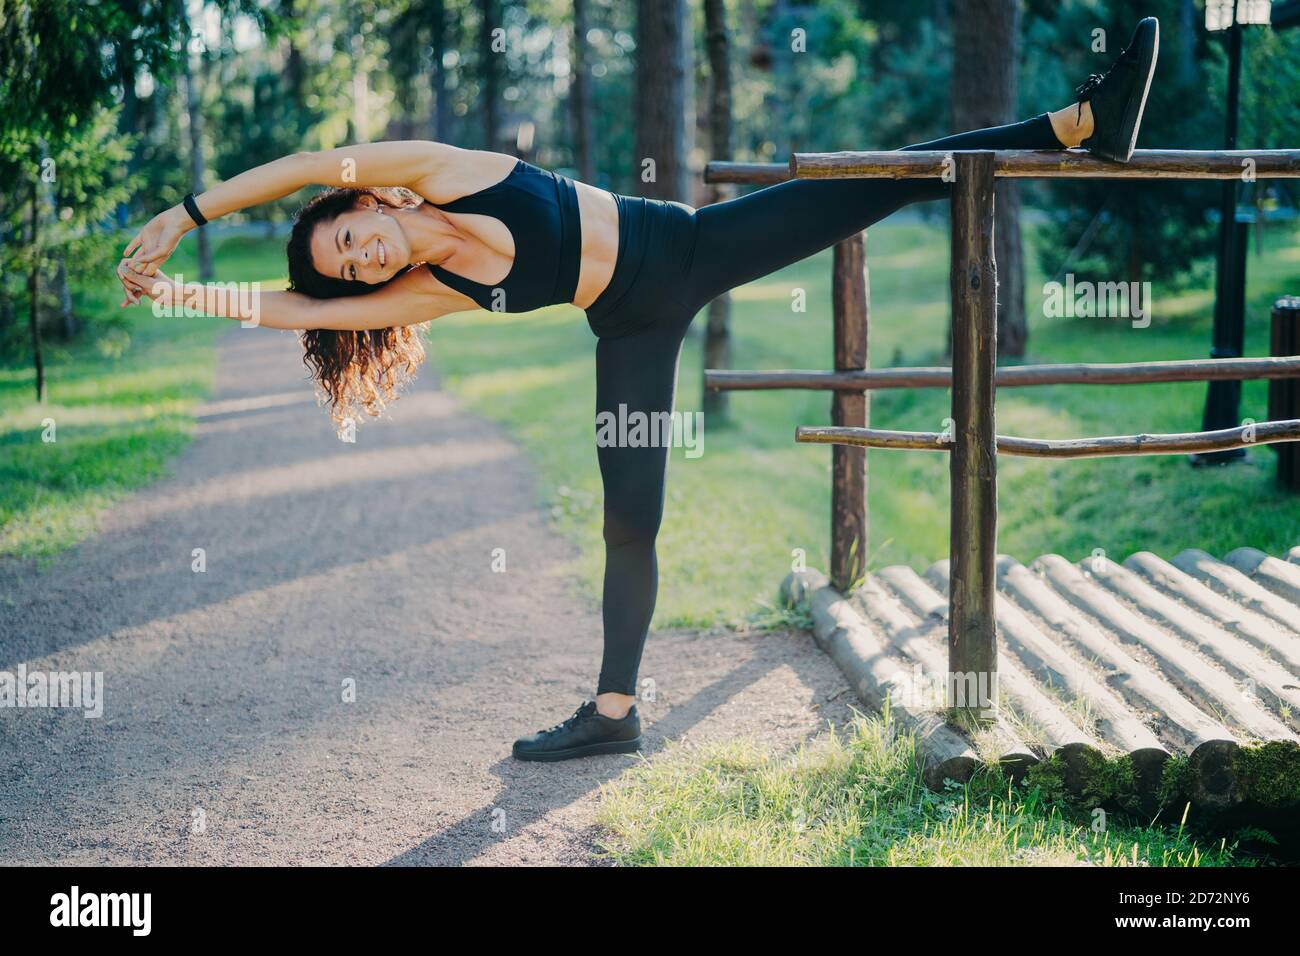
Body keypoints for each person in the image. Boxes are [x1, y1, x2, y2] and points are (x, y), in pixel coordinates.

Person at [118, 18, 1160, 762]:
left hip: (691, 248)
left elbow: (306, 158)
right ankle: (615, 706)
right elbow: (296, 314)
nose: (360, 257)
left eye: (349, 235)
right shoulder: (432, 288)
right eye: (353, 267)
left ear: (368, 201)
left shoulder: (435, 167)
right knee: (632, 516)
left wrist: (186, 214)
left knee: (882, 180)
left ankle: (1076, 123)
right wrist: (177, 298)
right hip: (633, 324)